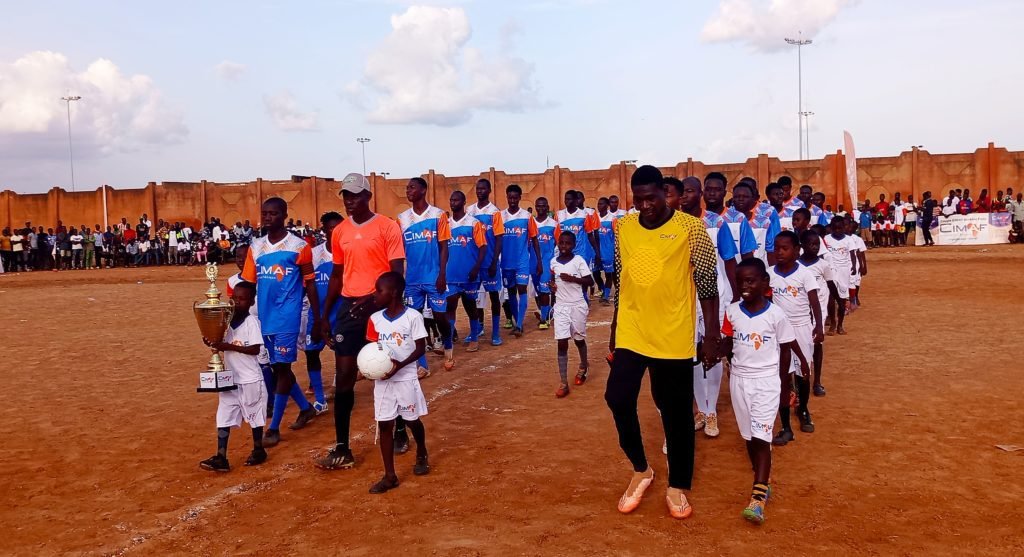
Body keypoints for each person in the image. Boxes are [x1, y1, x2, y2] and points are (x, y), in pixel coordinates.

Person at [605, 165, 720, 520]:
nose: (645, 206)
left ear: (666, 194)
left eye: (651, 198)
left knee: (676, 411)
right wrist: (615, 326)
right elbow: (622, 280)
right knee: (617, 397)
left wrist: (712, 335)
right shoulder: (624, 227)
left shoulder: (691, 228)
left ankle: (677, 485)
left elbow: (708, 284)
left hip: (673, 331)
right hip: (633, 329)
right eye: (638, 199)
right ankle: (641, 470)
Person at [316, 173, 406, 471]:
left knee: (387, 370)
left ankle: (400, 429)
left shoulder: (387, 227)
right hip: (349, 309)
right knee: (344, 376)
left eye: (355, 195)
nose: (349, 200)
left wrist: (373, 299)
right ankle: (343, 447)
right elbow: (337, 275)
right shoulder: (340, 232)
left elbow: (396, 274)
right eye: (345, 195)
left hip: (380, 309)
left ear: (368, 196)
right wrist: (325, 315)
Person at [721, 257, 807, 524]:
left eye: (750, 281)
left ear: (764, 282)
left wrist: (784, 387)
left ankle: (757, 498)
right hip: (739, 381)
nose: (744, 286)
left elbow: (785, 351)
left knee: (761, 437)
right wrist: (709, 352)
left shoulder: (776, 315)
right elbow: (728, 344)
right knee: (749, 436)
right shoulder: (731, 312)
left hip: (767, 382)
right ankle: (763, 479)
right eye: (740, 282)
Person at [241, 197, 321, 448]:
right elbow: (248, 285)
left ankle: (274, 427)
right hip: (264, 318)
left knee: (283, 370)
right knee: (278, 368)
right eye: (264, 213)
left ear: (285, 215)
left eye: (273, 213)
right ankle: (306, 408)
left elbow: (310, 283)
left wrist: (318, 317)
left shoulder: (299, 246)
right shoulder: (256, 247)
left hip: (288, 317)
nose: (268, 217)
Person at [681, 175, 742, 437]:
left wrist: (736, 296)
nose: (685, 196)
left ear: (700, 194)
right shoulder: (674, 223)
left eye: (690, 191)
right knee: (692, 352)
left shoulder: (717, 223)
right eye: (682, 191)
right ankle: (701, 410)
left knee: (712, 348)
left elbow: (729, 261)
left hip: (714, 295)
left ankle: (712, 410)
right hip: (684, 296)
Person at [363, 272, 431, 493]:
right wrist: (368, 369)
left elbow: (420, 348)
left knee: (412, 420)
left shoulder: (413, 317)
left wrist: (399, 366)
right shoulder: (375, 319)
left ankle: (421, 451)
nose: (375, 294)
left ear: (393, 293)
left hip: (405, 378)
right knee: (384, 425)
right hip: (383, 382)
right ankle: (390, 476)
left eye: (379, 291)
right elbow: (371, 351)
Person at [199, 281, 269, 472]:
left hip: (250, 379)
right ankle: (221, 456)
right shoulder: (227, 322)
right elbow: (222, 344)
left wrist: (227, 346)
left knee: (254, 415)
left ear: (251, 301)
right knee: (224, 415)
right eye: (234, 298)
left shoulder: (251, 322)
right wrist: (212, 340)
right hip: (231, 379)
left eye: (242, 299)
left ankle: (258, 449)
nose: (237, 302)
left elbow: (255, 349)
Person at [768, 231, 823, 445]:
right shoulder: (769, 274)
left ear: (796, 250)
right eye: (777, 248)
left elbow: (814, 302)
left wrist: (819, 326)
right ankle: (785, 426)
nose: (780, 252)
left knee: (803, 374)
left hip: (801, 328)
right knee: (782, 376)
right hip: (778, 332)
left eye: (785, 248)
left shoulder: (804, 274)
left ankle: (803, 409)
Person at [398, 177, 453, 373]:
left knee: (440, 317)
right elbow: (399, 251)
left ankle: (448, 346)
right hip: (412, 279)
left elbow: (444, 246)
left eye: (412, 187)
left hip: (434, 277)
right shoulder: (402, 218)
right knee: (415, 320)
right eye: (407, 188)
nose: (408, 191)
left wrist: (442, 274)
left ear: (423, 190)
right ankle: (422, 364)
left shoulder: (438, 215)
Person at [301, 212, 345, 416]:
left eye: (339, 228)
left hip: (340, 313)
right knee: (311, 352)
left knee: (341, 353)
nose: (335, 232)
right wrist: (318, 317)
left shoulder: (348, 252)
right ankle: (319, 399)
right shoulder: (313, 254)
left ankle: (341, 390)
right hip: (316, 314)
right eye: (331, 228)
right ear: (324, 230)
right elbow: (308, 283)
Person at [549, 231, 594, 397]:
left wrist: (572, 279)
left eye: (568, 243)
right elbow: (553, 281)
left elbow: (590, 281)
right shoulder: (554, 262)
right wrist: (552, 287)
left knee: (578, 339)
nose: (564, 246)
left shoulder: (579, 260)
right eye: (561, 243)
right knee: (562, 342)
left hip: (577, 306)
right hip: (561, 307)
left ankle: (583, 366)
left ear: (574, 245)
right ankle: (563, 383)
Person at [445, 190, 488, 352]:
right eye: (451, 200)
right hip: (451, 275)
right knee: (450, 306)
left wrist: (476, 267)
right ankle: (448, 341)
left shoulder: (473, 223)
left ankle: (474, 338)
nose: (453, 203)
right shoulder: (446, 224)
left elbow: (482, 247)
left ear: (463, 202)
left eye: (456, 200)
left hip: (469, 274)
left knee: (470, 307)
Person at [466, 179, 506, 346]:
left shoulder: (494, 212)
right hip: (473, 263)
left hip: (489, 262)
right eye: (477, 188)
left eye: (483, 189)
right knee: (472, 298)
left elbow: (499, 238)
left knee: (494, 296)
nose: (479, 191)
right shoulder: (469, 211)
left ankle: (495, 333)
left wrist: (494, 261)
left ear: (489, 191)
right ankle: (476, 329)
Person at [499, 184, 541, 338]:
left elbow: (534, 239)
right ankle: (518, 322)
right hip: (506, 262)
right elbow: (497, 240)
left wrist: (539, 261)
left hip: (522, 261)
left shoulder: (527, 216)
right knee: (510, 292)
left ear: (519, 198)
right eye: (510, 197)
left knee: (522, 290)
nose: (512, 200)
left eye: (515, 198)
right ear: (507, 197)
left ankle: (518, 325)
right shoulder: (500, 216)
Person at [799, 230, 835, 397]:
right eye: (811, 244)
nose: (814, 247)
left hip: (818, 309)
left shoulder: (823, 265)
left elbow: (831, 285)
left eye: (817, 245)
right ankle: (797, 382)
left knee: (816, 344)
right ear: (802, 246)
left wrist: (840, 302)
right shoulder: (796, 265)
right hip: (800, 311)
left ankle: (817, 381)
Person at [556, 189, 601, 295]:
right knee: (567, 279)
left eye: (570, 199)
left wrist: (597, 253)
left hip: (582, 253)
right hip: (565, 253)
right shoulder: (559, 215)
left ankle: (584, 298)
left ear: (576, 201)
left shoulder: (584, 215)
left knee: (582, 279)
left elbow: (590, 235)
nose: (567, 201)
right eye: (566, 199)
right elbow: (557, 236)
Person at [821, 215, 857, 334]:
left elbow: (852, 254)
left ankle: (840, 325)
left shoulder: (849, 240)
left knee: (842, 299)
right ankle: (832, 323)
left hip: (844, 271)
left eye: (840, 228)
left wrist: (854, 267)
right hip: (830, 270)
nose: (837, 231)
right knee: (831, 298)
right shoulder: (826, 239)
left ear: (844, 228)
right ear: (831, 228)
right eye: (835, 228)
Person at [530, 197, 558, 330]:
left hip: (547, 262)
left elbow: (558, 242)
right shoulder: (531, 223)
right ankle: (547, 312)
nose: (541, 208)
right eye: (538, 206)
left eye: (543, 206)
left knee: (545, 290)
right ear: (535, 207)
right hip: (533, 262)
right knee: (538, 292)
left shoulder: (554, 224)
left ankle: (544, 320)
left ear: (547, 207)